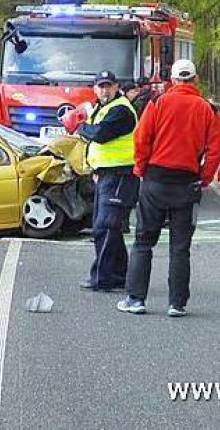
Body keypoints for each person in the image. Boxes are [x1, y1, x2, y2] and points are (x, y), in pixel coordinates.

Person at [118, 59, 220, 317]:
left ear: (173, 80)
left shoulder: (158, 103)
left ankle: (136, 299)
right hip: (187, 183)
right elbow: (215, 149)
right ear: (195, 79)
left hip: (155, 180)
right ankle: (176, 303)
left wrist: (141, 170)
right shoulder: (207, 109)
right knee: (180, 246)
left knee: (143, 241)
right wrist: (204, 178)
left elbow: (141, 139)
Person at [73, 70, 138, 292]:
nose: (104, 90)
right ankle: (118, 276)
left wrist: (79, 126)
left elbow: (100, 134)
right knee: (110, 227)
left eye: (108, 86)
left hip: (120, 175)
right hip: (106, 175)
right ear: (95, 89)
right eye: (101, 86)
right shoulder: (102, 108)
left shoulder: (121, 110)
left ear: (117, 87)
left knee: (105, 227)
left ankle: (102, 278)